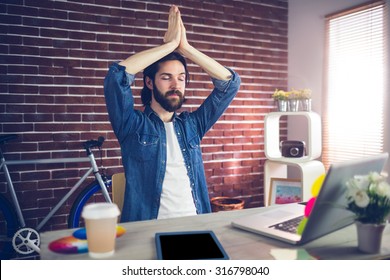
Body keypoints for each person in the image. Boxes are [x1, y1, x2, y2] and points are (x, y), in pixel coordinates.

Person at [104, 5, 241, 222]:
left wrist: (185, 47)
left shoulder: (193, 125)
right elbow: (116, 77)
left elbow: (230, 84)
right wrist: (168, 46)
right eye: (166, 77)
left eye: (181, 78)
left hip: (197, 224)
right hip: (149, 229)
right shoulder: (132, 125)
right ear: (149, 82)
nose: (176, 84)